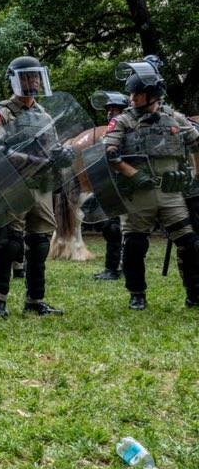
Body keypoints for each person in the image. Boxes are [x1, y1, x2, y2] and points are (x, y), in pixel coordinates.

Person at [102, 57, 199, 310]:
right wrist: (133, 174)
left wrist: (195, 176)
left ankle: (194, 293)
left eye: (137, 94)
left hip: (171, 192)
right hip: (137, 193)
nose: (131, 98)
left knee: (190, 243)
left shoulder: (175, 118)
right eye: (131, 94)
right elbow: (110, 154)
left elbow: (196, 143)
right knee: (134, 245)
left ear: (153, 95)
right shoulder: (123, 121)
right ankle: (137, 294)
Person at [0, 56, 66, 318]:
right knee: (9, 244)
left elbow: (53, 148)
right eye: (27, 76)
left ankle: (35, 300)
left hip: (41, 186)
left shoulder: (44, 115)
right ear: (15, 80)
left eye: (36, 76)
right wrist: (32, 160)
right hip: (12, 186)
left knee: (40, 244)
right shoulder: (1, 114)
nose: (33, 81)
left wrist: (63, 155)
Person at [89, 91, 130, 280]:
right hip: (109, 184)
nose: (110, 113)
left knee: (118, 228)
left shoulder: (129, 130)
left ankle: (114, 268)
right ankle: (114, 267)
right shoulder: (110, 131)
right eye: (109, 109)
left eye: (115, 109)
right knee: (106, 224)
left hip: (126, 185)